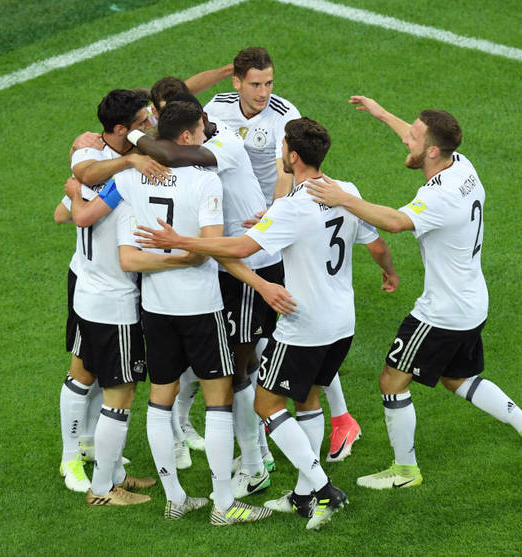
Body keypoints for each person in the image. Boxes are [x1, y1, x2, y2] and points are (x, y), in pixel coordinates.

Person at [136, 117, 398, 530]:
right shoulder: (345, 191)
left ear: (293, 156)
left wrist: (182, 240)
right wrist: (390, 272)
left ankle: (324, 489)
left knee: (267, 405)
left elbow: (241, 248)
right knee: (308, 400)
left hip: (303, 324)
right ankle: (303, 494)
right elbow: (378, 244)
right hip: (341, 322)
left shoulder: (293, 207)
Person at [305, 96, 522, 489]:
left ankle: (405, 471)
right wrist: (382, 114)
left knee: (392, 381)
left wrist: (344, 199)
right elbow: (419, 142)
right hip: (472, 302)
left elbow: (394, 222)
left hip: (441, 311)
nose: (406, 139)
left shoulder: (439, 197)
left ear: (433, 151)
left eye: (414, 137)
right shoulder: (463, 166)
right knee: (458, 378)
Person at [67, 102, 281, 525]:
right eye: (201, 130)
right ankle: (224, 504)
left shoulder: (131, 177)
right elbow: (211, 247)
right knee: (218, 400)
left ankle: (175, 498)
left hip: (154, 308)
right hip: (201, 307)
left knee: (159, 400)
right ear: (186, 136)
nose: (205, 137)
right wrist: (193, 256)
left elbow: (113, 232)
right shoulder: (205, 181)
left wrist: (80, 167)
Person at [206, 47, 363, 463]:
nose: (264, 92)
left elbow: (283, 172)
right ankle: (334, 423)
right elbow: (178, 105)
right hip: (256, 221)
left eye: (269, 83)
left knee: (293, 334)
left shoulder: (283, 114)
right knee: (285, 340)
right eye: (256, 84)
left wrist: (274, 216)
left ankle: (330, 425)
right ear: (237, 82)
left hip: (274, 224)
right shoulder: (217, 107)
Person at [126, 89, 280, 498]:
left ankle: (254, 464)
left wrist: (131, 140)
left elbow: (171, 155)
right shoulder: (193, 170)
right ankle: (250, 461)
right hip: (219, 268)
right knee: (229, 376)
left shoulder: (222, 147)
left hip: (248, 263)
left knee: (239, 370)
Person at [55, 88, 163, 492]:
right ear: (121, 130)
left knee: (85, 374)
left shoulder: (93, 161)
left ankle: (100, 462)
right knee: (116, 388)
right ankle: (90, 471)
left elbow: (64, 211)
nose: (150, 125)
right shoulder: (122, 179)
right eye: (142, 122)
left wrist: (74, 191)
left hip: (89, 288)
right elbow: (80, 216)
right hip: (113, 301)